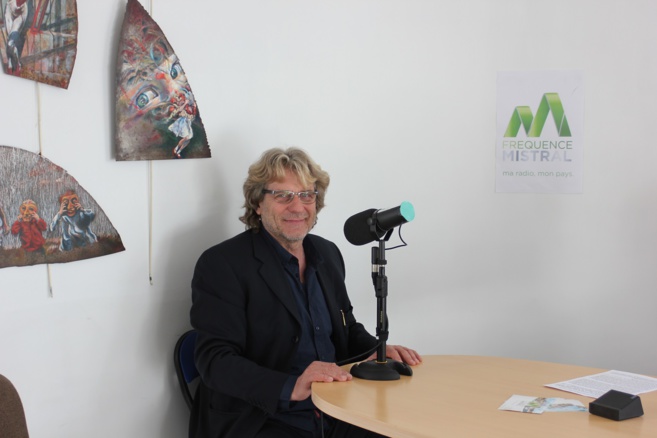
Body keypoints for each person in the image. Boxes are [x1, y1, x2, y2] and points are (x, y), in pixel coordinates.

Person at [189, 147, 421, 438]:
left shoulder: (326, 253)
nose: (297, 207)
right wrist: (292, 386)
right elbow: (215, 360)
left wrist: (376, 351)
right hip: (263, 418)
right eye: (282, 195)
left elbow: (346, 328)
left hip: (335, 407)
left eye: (306, 195)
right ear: (258, 203)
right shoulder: (222, 264)